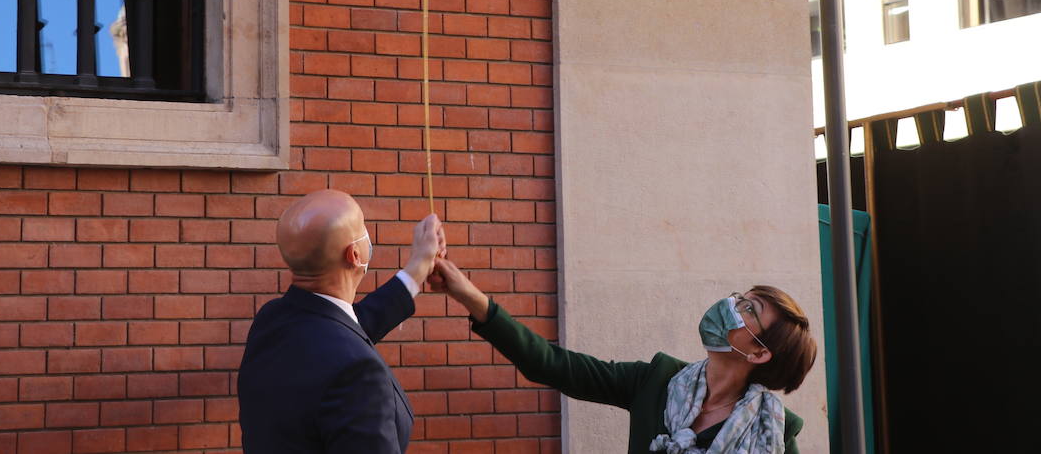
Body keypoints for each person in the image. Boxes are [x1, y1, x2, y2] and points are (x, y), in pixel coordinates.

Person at [429, 257, 816, 453]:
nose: (730, 306)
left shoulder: (777, 431)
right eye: (741, 298)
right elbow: (551, 365)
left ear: (759, 353)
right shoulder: (657, 381)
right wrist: (467, 294)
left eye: (749, 310)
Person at [237, 189, 444, 453]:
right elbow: (344, 348)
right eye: (363, 227)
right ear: (355, 254)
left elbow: (346, 328)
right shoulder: (358, 372)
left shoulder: (272, 320)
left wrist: (418, 267)